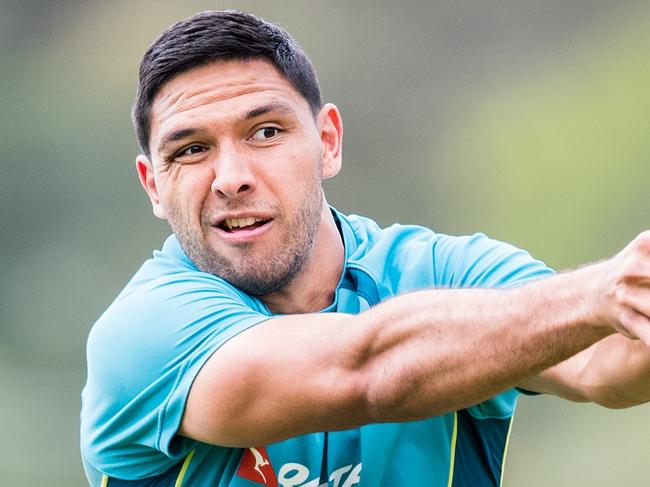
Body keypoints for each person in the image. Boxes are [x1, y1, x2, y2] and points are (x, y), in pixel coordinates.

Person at [80, 9, 650, 487]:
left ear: (327, 142)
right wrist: (600, 293)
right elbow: (363, 372)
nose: (231, 177)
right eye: (191, 150)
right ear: (154, 184)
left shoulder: (444, 272)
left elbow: (606, 364)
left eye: (266, 132)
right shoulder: (140, 336)